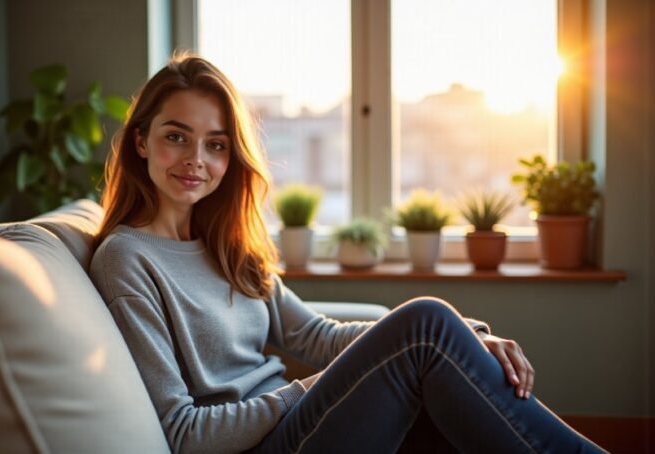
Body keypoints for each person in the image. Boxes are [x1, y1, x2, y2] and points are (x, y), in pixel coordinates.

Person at [89, 53, 605, 453]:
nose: (196, 161)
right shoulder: (127, 259)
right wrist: (311, 389)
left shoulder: (226, 243)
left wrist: (466, 338)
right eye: (176, 137)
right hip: (265, 445)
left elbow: (315, 335)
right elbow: (184, 435)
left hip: (297, 421)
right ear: (140, 141)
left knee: (447, 354)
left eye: (216, 145)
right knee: (425, 322)